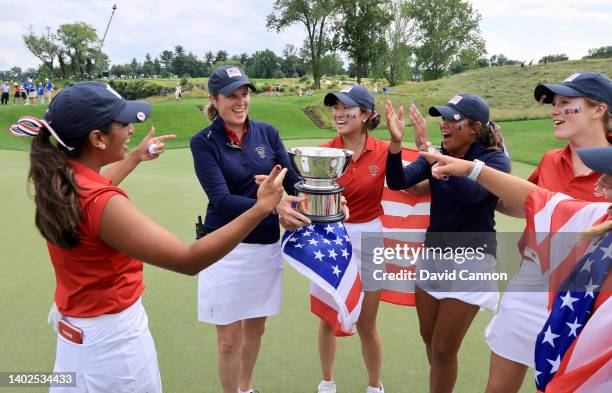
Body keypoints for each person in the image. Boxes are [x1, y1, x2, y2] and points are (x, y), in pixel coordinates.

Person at [11, 81, 287, 393]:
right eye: (122, 123)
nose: (130, 130)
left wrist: (134, 158)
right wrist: (262, 207)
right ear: (97, 138)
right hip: (113, 349)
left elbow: (95, 189)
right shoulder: (103, 202)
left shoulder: (63, 179)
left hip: (75, 338)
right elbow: (188, 259)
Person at [419, 146, 611, 393]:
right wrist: (471, 169)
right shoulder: (600, 218)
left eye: (610, 172)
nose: (602, 179)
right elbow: (537, 198)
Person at [483, 72, 612, 393]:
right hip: (530, 284)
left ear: (598, 109)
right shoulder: (551, 160)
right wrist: (473, 181)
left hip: (586, 300)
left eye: (565, 103)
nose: (554, 111)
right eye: (553, 104)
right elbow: (522, 204)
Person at [385, 94, 510, 393]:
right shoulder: (439, 152)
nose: (443, 124)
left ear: (475, 127)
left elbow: (472, 194)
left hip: (472, 260)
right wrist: (396, 144)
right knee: (429, 337)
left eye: (453, 119)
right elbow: (398, 180)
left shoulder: (495, 160)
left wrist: (431, 153)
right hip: (433, 256)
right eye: (442, 118)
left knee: (442, 348)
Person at [190, 65, 303, 393]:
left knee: (256, 329)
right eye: (231, 96)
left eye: (244, 94)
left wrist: (304, 198)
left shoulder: (267, 132)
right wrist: (270, 204)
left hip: (264, 246)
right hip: (224, 246)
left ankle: (245, 387)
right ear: (214, 99)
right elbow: (221, 200)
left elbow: (291, 179)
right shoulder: (204, 142)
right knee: (228, 341)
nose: (240, 102)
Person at [289, 84, 386, 393]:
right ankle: (327, 381)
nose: (339, 113)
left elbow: (410, 184)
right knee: (329, 318)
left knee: (368, 323)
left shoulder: (385, 151)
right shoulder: (324, 152)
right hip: (330, 238)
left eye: (347, 107)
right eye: (335, 107)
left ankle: (374, 384)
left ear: (367, 114)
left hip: (371, 236)